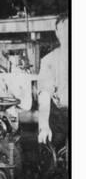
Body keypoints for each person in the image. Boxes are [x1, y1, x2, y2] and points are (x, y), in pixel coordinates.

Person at [36, 15, 69, 148]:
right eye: (63, 29)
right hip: (60, 118)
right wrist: (44, 126)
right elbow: (44, 95)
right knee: (54, 155)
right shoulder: (49, 60)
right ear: (57, 32)